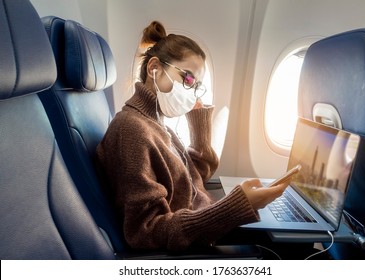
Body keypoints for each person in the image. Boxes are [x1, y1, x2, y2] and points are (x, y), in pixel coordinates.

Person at [95, 21, 292, 253]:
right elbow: (145, 232)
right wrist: (236, 206)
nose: (191, 90)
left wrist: (198, 121)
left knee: (286, 238)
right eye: (187, 79)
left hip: (203, 224)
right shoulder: (131, 130)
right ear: (154, 68)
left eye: (196, 85)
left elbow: (192, 177)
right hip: (190, 246)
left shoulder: (157, 124)